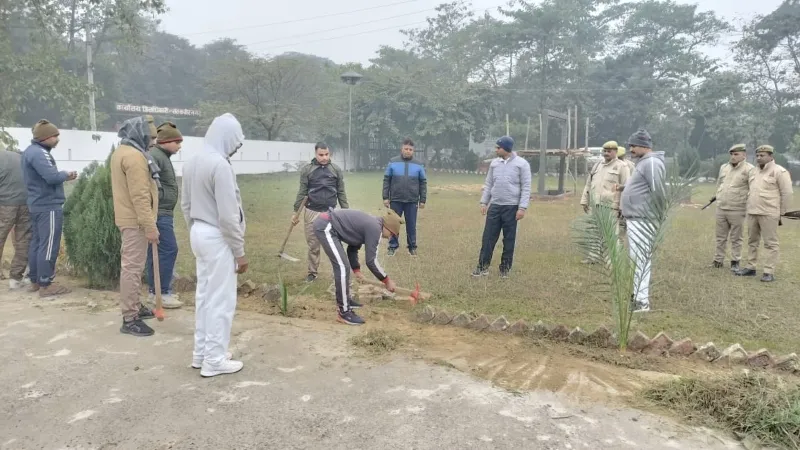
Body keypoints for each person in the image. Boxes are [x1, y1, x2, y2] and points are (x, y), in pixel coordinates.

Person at [182, 113, 248, 377]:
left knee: (205, 297)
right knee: (221, 300)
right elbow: (228, 216)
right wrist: (239, 252)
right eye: (235, 142)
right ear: (226, 137)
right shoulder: (219, 165)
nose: (235, 148)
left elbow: (186, 205)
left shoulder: (192, 161)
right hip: (218, 236)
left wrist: (194, 229)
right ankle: (215, 360)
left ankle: (202, 354)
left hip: (198, 232)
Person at [110, 116, 161, 336]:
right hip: (136, 221)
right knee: (132, 268)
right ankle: (130, 318)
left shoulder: (122, 151)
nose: (154, 142)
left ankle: (135, 306)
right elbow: (140, 196)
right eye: (151, 138)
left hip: (130, 218)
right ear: (140, 135)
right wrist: (150, 226)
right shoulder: (135, 157)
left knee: (134, 267)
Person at [313, 208, 402, 325]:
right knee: (342, 267)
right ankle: (344, 312)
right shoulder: (375, 228)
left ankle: (346, 301)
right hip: (326, 225)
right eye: (391, 234)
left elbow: (353, 246)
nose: (389, 237)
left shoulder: (373, 224)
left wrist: (356, 270)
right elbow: (371, 261)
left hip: (328, 224)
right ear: (388, 227)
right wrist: (387, 280)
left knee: (344, 267)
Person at [21, 120, 77, 297]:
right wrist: (66, 175)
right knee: (49, 244)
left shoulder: (30, 151)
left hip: (36, 204)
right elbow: (52, 177)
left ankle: (36, 281)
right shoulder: (40, 153)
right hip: (48, 205)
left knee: (37, 243)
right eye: (55, 136)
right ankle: (46, 284)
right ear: (45, 137)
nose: (57, 139)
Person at [473, 136, 531, 278]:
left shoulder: (522, 164)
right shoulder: (494, 164)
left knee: (509, 239)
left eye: (498, 147)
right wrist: (484, 202)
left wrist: (522, 208)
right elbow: (489, 184)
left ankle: (505, 269)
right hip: (495, 206)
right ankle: (482, 267)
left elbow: (526, 187)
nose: (496, 150)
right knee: (488, 237)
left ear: (506, 148)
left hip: (511, 207)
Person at [620, 129, 665, 313]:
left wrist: (658, 215)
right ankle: (637, 296)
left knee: (641, 261)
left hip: (644, 219)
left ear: (644, 146)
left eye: (634, 146)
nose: (631, 149)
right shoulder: (643, 162)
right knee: (636, 260)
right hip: (636, 218)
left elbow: (658, 190)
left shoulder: (652, 162)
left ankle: (642, 302)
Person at [291, 142, 349, 283]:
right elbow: (302, 192)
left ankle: (338, 272)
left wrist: (346, 211)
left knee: (334, 244)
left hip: (330, 212)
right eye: (321, 155)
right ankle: (312, 273)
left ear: (330, 154)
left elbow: (341, 192)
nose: (324, 157)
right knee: (313, 245)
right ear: (315, 154)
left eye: (326, 154)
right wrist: (295, 212)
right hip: (311, 211)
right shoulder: (307, 170)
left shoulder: (336, 170)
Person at [735, 145, 792, 282]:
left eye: (762, 155)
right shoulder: (753, 171)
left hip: (769, 213)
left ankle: (768, 272)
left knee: (770, 243)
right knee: (752, 241)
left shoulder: (779, 171)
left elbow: (787, 193)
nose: (759, 158)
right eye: (758, 155)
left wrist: (781, 212)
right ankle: (750, 267)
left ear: (771, 156)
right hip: (753, 211)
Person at [145, 122, 183, 309]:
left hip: (162, 211)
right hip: (160, 213)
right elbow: (149, 184)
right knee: (169, 249)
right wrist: (157, 202)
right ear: (165, 141)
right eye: (177, 142)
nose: (179, 146)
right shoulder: (155, 156)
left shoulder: (162, 156)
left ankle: (155, 292)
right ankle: (163, 293)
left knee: (157, 252)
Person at [579, 140, 630, 263]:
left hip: (610, 206)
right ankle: (593, 257)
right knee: (594, 231)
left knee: (611, 233)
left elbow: (627, 188)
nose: (606, 153)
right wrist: (585, 200)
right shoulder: (597, 165)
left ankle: (612, 259)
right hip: (595, 204)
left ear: (615, 152)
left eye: (609, 151)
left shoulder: (622, 166)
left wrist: (622, 208)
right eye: (605, 151)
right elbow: (589, 183)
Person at [711, 144, 753, 271]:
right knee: (720, 237)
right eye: (731, 154)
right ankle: (718, 260)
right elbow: (719, 184)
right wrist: (717, 196)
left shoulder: (749, 169)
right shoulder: (724, 167)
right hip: (721, 207)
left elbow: (753, 189)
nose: (733, 157)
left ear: (744, 155)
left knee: (736, 238)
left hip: (737, 209)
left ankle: (735, 262)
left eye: (736, 154)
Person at [382, 138, 428, 256]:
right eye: (406, 149)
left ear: (413, 151)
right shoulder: (393, 162)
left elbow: (423, 182)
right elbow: (387, 180)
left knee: (411, 225)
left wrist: (422, 199)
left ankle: (412, 247)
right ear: (401, 149)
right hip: (396, 199)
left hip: (412, 200)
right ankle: (392, 246)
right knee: (393, 224)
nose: (408, 151)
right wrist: (385, 197)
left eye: (410, 149)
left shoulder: (418, 164)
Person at [0, 147, 32, 290]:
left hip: (5, 204)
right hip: (26, 203)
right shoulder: (19, 157)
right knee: (23, 240)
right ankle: (15, 279)